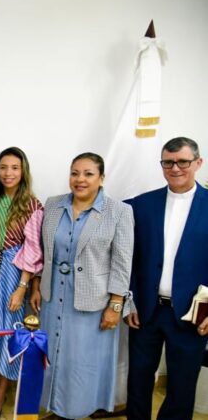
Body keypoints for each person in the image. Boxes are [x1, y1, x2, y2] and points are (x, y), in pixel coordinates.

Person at [30, 152, 133, 420]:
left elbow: (122, 263)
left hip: (93, 303)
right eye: (75, 173)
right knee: (54, 357)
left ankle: (77, 412)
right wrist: (36, 286)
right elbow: (43, 251)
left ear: (101, 178)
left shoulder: (119, 212)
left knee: (82, 363)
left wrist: (115, 305)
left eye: (88, 174)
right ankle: (56, 409)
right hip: (54, 297)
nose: (80, 179)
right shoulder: (53, 205)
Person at [125, 137, 208, 420]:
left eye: (182, 162)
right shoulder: (142, 204)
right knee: (137, 382)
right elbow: (129, 258)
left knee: (182, 388)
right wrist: (129, 300)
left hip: (191, 314)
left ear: (198, 163)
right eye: (168, 162)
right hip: (145, 311)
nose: (175, 168)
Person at [0, 147, 43, 420]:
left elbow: (33, 250)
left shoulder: (32, 205)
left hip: (14, 273)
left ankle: (1, 391)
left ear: (23, 171)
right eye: (3, 167)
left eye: (15, 168)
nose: (8, 173)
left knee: (9, 332)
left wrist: (23, 287)